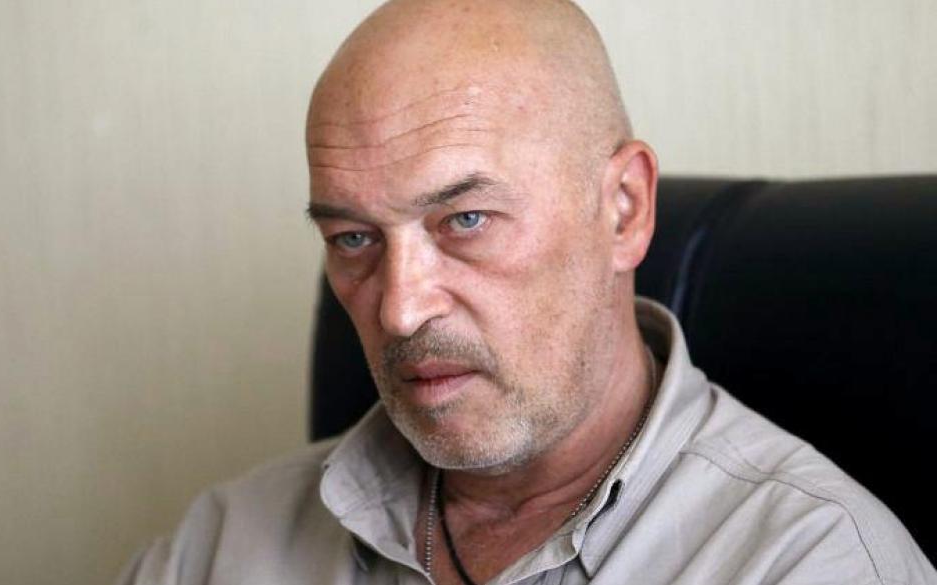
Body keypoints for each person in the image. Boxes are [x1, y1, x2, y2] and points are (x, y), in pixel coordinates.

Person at [117, 1, 936, 583]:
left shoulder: (810, 560)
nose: (400, 309)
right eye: (354, 239)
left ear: (623, 210)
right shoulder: (219, 546)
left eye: (465, 219)